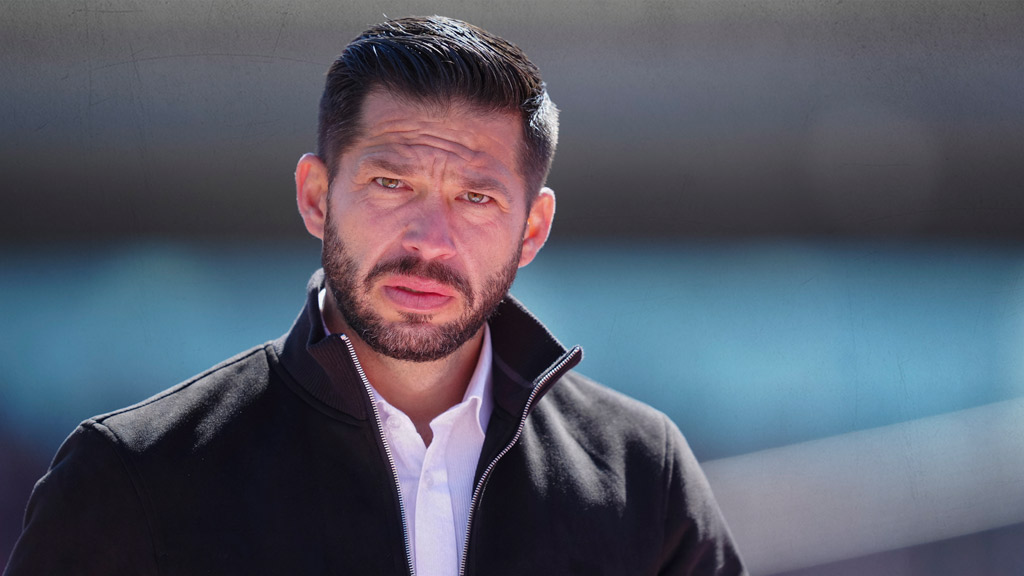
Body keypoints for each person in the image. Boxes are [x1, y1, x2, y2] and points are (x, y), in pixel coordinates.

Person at [5, 16, 745, 576]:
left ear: (532, 229)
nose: (430, 240)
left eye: (477, 198)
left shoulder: (642, 476)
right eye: (391, 183)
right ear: (316, 196)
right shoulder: (133, 478)